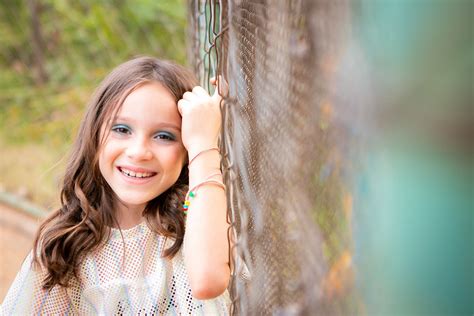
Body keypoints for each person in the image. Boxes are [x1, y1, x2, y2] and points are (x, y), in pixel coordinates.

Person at [0, 56, 231, 315]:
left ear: (186, 148)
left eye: (164, 136)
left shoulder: (194, 220)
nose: (139, 151)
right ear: (95, 134)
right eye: (122, 129)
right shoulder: (66, 244)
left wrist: (203, 144)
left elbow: (208, 281)